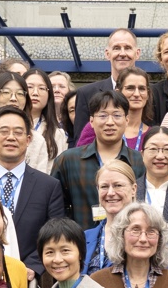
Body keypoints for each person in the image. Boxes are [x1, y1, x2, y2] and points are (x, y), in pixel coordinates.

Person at [0, 105, 66, 271]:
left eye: (18, 132)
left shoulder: (49, 186)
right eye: (4, 131)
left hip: (26, 275)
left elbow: (54, 234)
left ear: (28, 139)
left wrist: (31, 267)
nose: (11, 137)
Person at [54, 90, 143, 226]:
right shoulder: (68, 160)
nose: (110, 122)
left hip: (128, 241)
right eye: (102, 116)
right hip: (81, 243)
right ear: (91, 121)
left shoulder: (139, 161)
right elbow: (55, 207)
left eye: (117, 115)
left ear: (127, 120)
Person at [70, 27, 141, 136]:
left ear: (137, 53)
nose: (122, 53)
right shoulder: (86, 94)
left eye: (127, 48)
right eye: (117, 48)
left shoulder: (149, 93)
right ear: (107, 54)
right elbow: (81, 143)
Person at [74, 66, 151, 153]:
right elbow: (81, 159)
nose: (137, 94)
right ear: (118, 92)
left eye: (142, 89)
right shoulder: (97, 126)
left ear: (147, 94)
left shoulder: (153, 134)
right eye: (130, 88)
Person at [82, 161, 138, 274]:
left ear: (133, 189)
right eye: (104, 187)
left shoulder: (150, 235)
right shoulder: (84, 238)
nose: (110, 192)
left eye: (118, 185)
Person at [25, 67, 69, 169]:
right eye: (30, 87)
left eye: (41, 88)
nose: (35, 93)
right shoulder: (7, 125)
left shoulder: (58, 134)